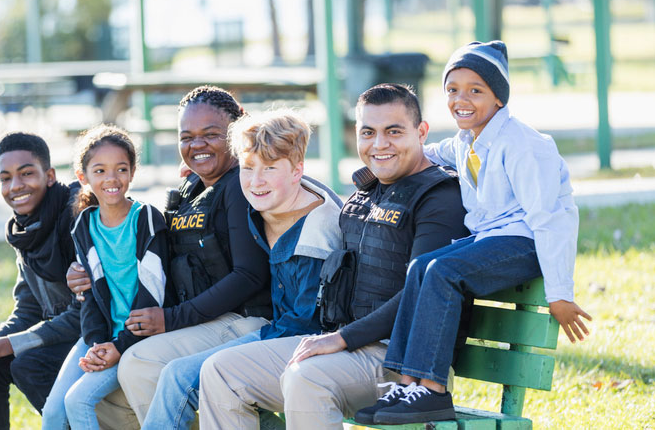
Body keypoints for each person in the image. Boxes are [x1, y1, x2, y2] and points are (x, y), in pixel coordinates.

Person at [198, 83, 470, 430]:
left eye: (394, 131)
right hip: (350, 348)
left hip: (403, 364)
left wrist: (341, 339)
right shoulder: (369, 192)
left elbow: (420, 295)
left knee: (307, 378)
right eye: (368, 132)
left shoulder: (439, 198)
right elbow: (286, 175)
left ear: (421, 132)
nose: (379, 144)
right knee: (221, 371)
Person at [353, 40, 593, 425]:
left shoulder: (524, 145)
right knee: (421, 267)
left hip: (527, 242)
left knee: (443, 272)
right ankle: (406, 382)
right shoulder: (467, 140)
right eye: (452, 90)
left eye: (475, 91)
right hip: (492, 241)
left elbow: (551, 220)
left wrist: (560, 294)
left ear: (499, 97)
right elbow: (425, 151)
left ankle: (432, 392)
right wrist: (373, 168)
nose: (461, 99)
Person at [65, 85, 274, 427]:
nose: (197, 145)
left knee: (139, 362)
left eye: (211, 135)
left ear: (235, 134)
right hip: (203, 319)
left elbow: (250, 275)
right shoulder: (190, 189)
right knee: (104, 391)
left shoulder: (239, 185)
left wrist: (171, 318)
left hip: (243, 321)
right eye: (186, 136)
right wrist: (81, 271)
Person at [142, 109, 342, 429]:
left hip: (307, 347)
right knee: (175, 375)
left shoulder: (315, 234)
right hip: (276, 332)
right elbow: (251, 166)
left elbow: (303, 327)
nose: (256, 181)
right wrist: (195, 175)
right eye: (249, 168)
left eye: (270, 168)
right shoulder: (274, 194)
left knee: (203, 373)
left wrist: (244, 352)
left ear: (296, 170)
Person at [0, 132, 81, 430]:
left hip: (94, 335)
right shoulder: (25, 231)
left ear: (49, 176)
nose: (16, 186)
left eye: (26, 174)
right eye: (6, 178)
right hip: (59, 335)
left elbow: (85, 314)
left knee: (28, 364)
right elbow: (28, 310)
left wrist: (3, 346)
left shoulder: (77, 217)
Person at [40, 125, 168, 430]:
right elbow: (92, 298)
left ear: (132, 173)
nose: (111, 179)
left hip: (138, 338)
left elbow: (154, 294)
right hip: (100, 336)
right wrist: (98, 343)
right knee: (53, 413)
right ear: (83, 176)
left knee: (78, 401)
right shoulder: (84, 224)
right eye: (100, 170)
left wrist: (118, 346)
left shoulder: (147, 219)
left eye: (121, 169)